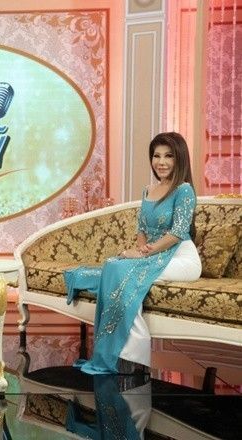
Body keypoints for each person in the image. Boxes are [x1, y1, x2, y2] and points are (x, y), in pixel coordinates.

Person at [64, 132, 201, 375]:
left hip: (181, 258)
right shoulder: (148, 190)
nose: (161, 162)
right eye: (156, 156)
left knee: (122, 272)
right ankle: (119, 353)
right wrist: (140, 250)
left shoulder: (184, 190)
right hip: (155, 254)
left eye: (168, 156)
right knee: (113, 265)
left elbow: (178, 233)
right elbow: (142, 229)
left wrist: (145, 254)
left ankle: (130, 355)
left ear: (179, 158)